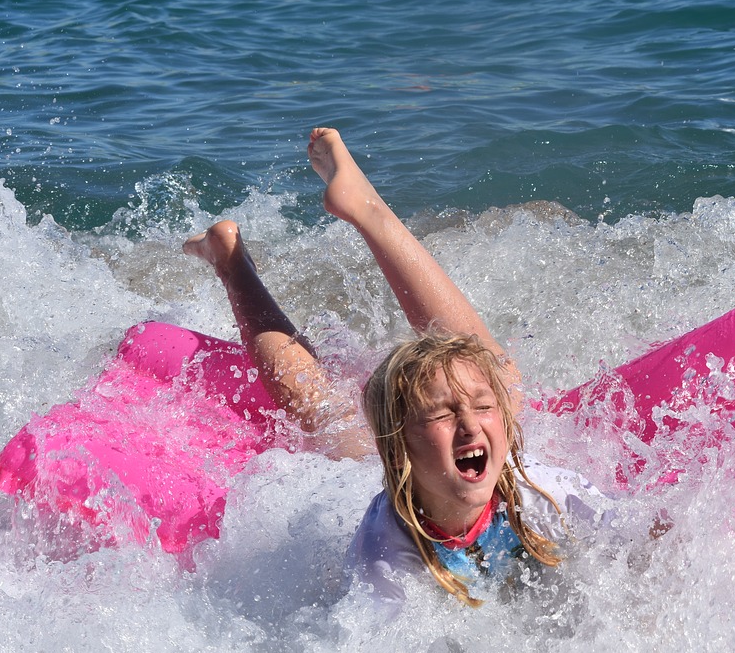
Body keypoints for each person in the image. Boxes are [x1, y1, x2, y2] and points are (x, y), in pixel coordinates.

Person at [184, 128, 604, 618]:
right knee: (326, 413)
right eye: (446, 415)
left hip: (431, 467)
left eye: (484, 412)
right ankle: (231, 262)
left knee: (492, 377)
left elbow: (648, 537)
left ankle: (362, 208)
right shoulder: (384, 554)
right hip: (372, 479)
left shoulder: (543, 492)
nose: (471, 424)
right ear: (398, 444)